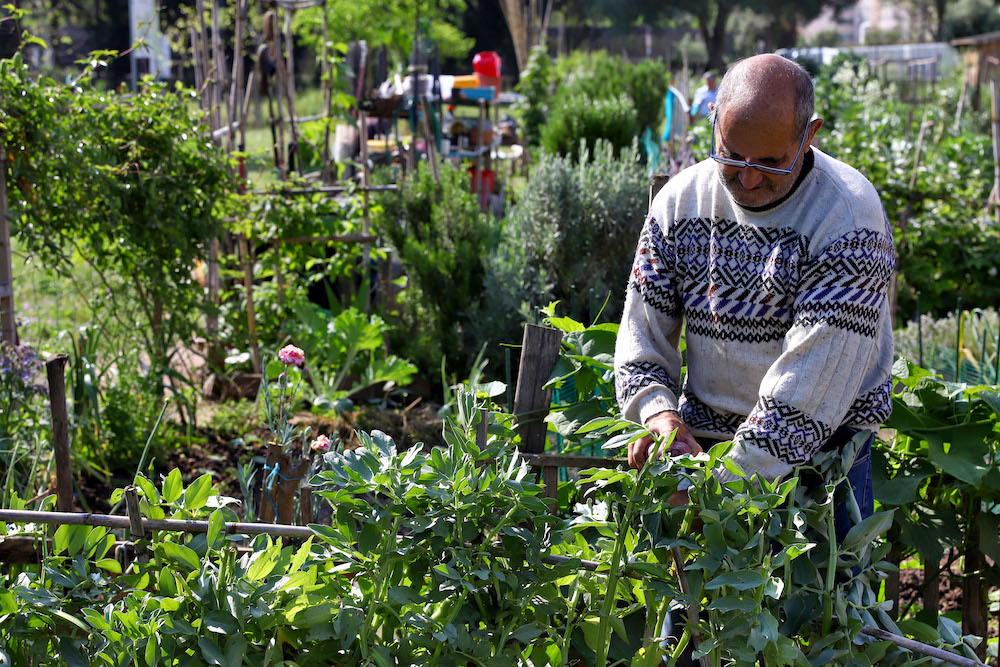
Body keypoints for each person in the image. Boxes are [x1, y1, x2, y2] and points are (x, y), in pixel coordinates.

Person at [613, 54, 894, 657]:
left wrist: (722, 486)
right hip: (707, 454)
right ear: (714, 122)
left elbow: (810, 387)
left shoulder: (848, 216)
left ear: (809, 135)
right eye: (733, 155)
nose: (747, 180)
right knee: (693, 640)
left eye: (770, 162)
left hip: (822, 468)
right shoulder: (679, 204)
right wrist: (658, 415)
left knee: (824, 637)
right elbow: (642, 336)